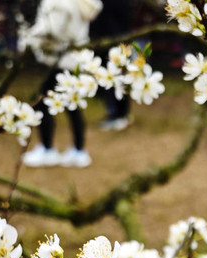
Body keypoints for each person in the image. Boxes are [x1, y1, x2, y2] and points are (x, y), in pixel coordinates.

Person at [20, 0, 103, 168]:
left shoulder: (59, 3)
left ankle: (48, 148)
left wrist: (28, 40)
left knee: (45, 102)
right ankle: (78, 150)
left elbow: (52, 31)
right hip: (74, 60)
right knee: (70, 105)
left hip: (59, 61)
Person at [90, 0, 134, 131]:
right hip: (106, 41)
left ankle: (119, 114)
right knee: (108, 79)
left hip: (115, 41)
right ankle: (115, 112)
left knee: (117, 79)